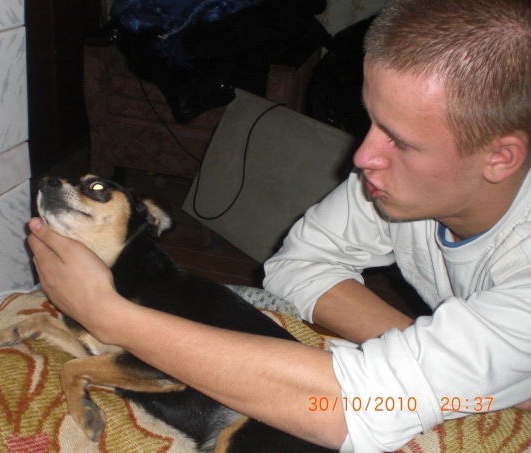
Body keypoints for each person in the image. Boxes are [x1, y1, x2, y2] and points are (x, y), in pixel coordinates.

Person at [27, 0, 531, 450]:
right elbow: (297, 264)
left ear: (500, 158)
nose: (361, 157)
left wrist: (107, 314)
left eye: (400, 141)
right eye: (371, 121)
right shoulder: (397, 185)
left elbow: (346, 409)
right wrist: (437, 350)